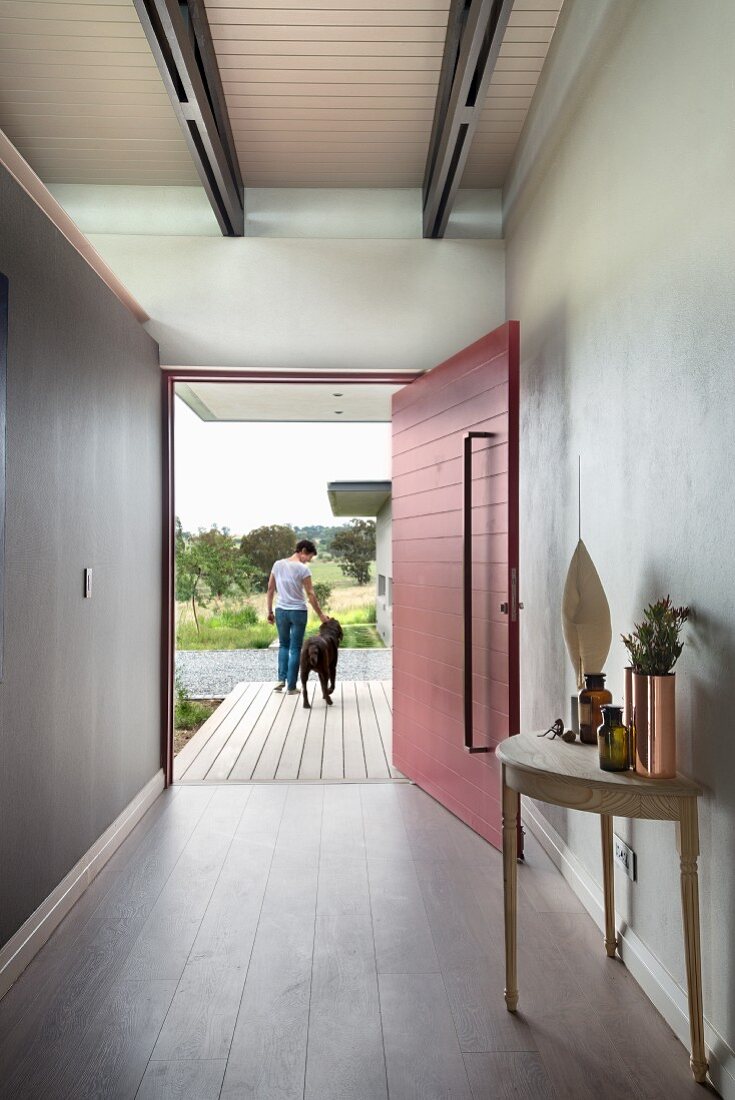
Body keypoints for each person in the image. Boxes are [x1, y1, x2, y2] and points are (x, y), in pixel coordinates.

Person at [266, 539, 328, 694]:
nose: (308, 561)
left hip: (281, 611)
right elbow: (310, 594)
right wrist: (320, 614)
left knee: (283, 645)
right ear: (303, 551)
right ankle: (292, 687)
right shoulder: (303, 569)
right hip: (298, 612)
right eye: (309, 557)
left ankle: (281, 680)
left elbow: (270, 589)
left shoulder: (278, 564)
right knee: (295, 648)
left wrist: (269, 612)